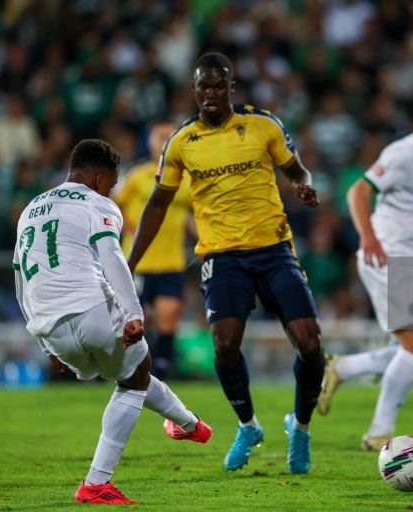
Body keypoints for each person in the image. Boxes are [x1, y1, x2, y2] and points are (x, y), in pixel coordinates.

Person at [127, 53, 324, 474]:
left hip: (274, 250)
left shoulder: (263, 125)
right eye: (203, 86)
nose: (211, 93)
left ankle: (301, 427)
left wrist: (303, 188)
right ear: (194, 90)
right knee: (225, 343)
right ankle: (248, 425)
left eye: (219, 86)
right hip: (222, 255)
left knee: (310, 343)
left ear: (231, 87)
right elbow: (157, 204)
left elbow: (297, 170)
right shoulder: (181, 141)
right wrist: (130, 263)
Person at [13, 139, 213, 505]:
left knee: (132, 374)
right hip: (92, 308)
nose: (113, 190)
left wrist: (45, 344)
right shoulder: (97, 203)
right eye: (112, 183)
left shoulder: (31, 209)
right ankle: (96, 483)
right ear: (98, 177)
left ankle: (190, 426)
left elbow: (20, 280)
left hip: (49, 326)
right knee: (137, 374)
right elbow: (113, 257)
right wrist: (133, 313)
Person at [317, 83, 413, 450]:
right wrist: (368, 237)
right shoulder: (405, 152)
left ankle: (345, 368)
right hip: (386, 255)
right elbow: (359, 191)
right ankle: (378, 433)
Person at [116, 121, 192, 380]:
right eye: (159, 136)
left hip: (171, 261)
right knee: (134, 322)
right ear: (149, 143)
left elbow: (195, 213)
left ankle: (158, 373)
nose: (163, 141)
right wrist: (128, 227)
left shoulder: (187, 178)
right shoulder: (137, 176)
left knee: (168, 318)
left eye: (169, 136)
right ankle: (123, 369)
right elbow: (115, 206)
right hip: (139, 262)